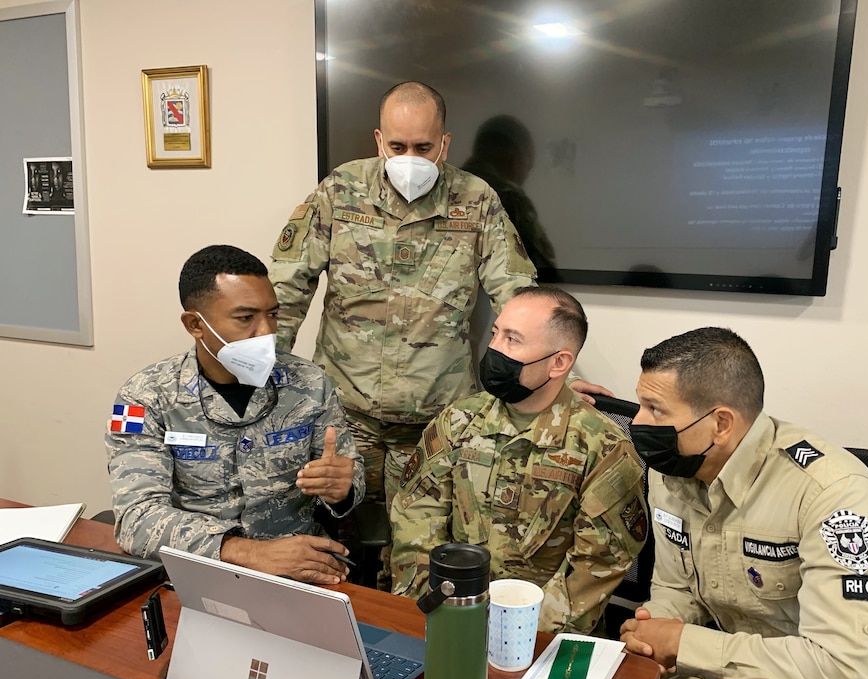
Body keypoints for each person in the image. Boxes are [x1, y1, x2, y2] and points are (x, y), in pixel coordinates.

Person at [269, 81, 608, 589]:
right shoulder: (339, 191)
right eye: (397, 146)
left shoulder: (476, 202)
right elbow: (286, 289)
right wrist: (266, 383)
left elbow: (521, 298)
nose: (410, 158)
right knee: (331, 555)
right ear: (379, 139)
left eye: (423, 148)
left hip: (438, 425)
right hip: (343, 416)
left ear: (444, 145)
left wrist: (554, 375)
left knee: (417, 565)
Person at [620, 327, 868, 679]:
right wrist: (652, 630)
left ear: (720, 425)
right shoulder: (673, 467)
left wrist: (684, 643)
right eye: (640, 404)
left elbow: (847, 674)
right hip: (745, 674)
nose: (637, 422)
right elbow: (676, 586)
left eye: (655, 409)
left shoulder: (833, 494)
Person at [390, 287, 647, 634]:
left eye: (513, 340)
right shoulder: (458, 421)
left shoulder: (603, 447)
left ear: (559, 363)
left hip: (543, 633)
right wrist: (433, 608)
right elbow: (416, 517)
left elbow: (596, 564)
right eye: (496, 333)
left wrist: (512, 631)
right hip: (450, 614)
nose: (495, 349)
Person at [106, 245, 365, 585]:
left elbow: (350, 474)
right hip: (197, 570)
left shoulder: (309, 383)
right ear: (195, 324)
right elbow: (137, 519)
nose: (266, 332)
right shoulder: (144, 397)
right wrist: (250, 553)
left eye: (272, 314)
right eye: (246, 318)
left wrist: (342, 488)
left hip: (299, 570)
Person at [461, 114, 556, 271]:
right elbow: (544, 271)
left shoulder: (441, 191)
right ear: (517, 162)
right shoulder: (510, 200)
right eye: (528, 168)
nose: (525, 176)